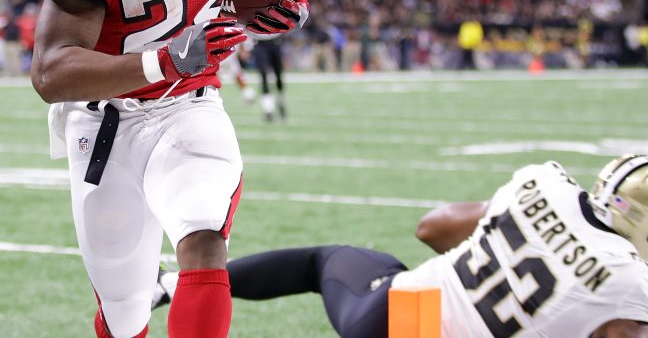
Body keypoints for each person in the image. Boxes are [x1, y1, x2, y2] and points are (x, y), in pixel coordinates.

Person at [26, 0, 308, 338]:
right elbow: (51, 72)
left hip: (191, 104)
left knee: (204, 235)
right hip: (106, 121)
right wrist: (163, 61)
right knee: (125, 308)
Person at [154, 156, 648, 338]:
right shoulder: (632, 286)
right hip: (403, 318)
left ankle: (170, 283)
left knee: (325, 262)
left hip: (403, 318)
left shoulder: (542, 182)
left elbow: (431, 229)